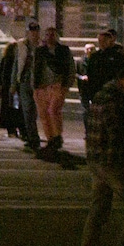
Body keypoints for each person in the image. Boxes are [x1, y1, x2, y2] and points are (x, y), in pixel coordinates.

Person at [81, 60, 124, 246]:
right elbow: (118, 133)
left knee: (98, 210)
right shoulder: (114, 101)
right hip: (112, 161)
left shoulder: (101, 96)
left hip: (96, 159)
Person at [28, 25, 76, 159]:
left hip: (57, 85)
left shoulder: (64, 50)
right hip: (41, 86)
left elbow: (70, 67)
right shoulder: (40, 51)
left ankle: (57, 136)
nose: (50, 37)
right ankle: (50, 139)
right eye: (47, 34)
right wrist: (34, 86)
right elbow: (34, 68)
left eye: (52, 34)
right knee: (43, 113)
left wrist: (67, 84)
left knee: (53, 110)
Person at [81, 27, 124, 128]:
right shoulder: (95, 57)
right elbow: (90, 74)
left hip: (112, 92)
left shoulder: (117, 56)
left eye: (104, 41)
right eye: (100, 41)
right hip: (97, 91)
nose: (101, 43)